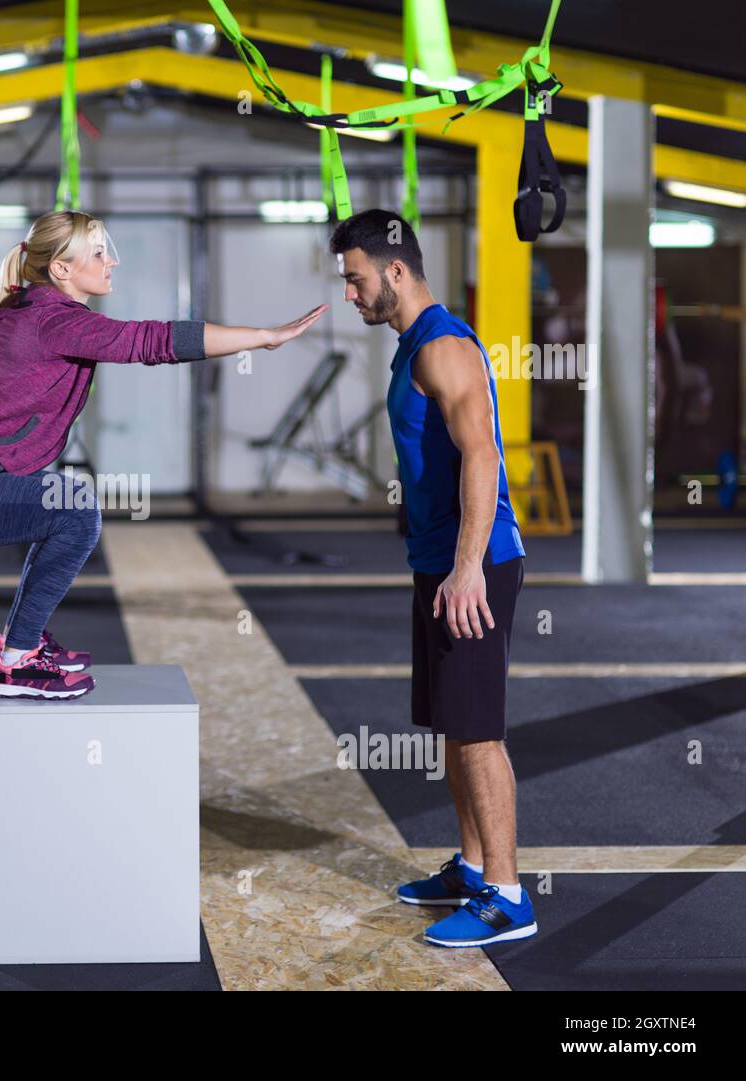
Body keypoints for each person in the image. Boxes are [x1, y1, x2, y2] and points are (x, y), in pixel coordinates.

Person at [0, 209, 326, 699]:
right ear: (62, 270)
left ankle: (22, 646)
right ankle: (17, 659)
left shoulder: (42, 310)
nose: (112, 261)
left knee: (63, 507)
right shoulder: (49, 319)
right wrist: (263, 337)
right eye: (97, 253)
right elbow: (150, 341)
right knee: (74, 509)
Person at [329, 209, 536, 947]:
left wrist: (468, 567)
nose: (350, 295)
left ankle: (508, 895)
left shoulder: (443, 346)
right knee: (454, 721)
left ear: (395, 271)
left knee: (479, 730)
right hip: (441, 565)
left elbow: (481, 454)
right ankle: (475, 866)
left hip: (473, 566)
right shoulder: (410, 343)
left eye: (356, 281)